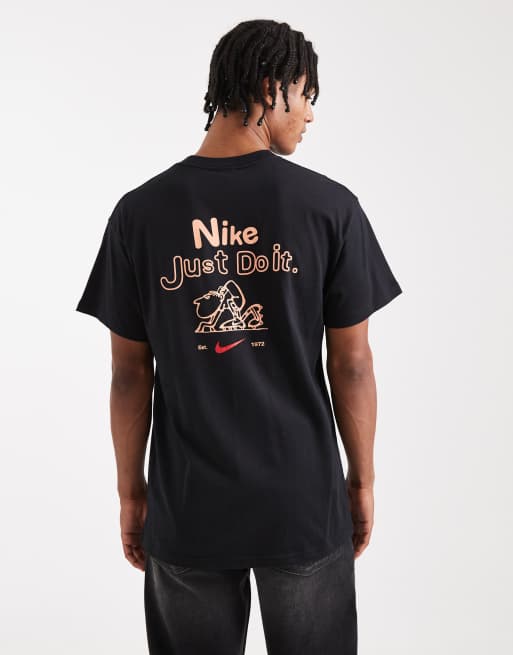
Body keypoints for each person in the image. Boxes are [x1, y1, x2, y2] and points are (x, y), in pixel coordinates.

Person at [76, 18, 402, 655]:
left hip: (188, 505)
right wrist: (360, 481)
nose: (310, 114)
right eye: (306, 94)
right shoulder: (330, 208)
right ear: (270, 86)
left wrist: (131, 492)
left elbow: (128, 375)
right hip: (302, 502)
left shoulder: (140, 213)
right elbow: (353, 365)